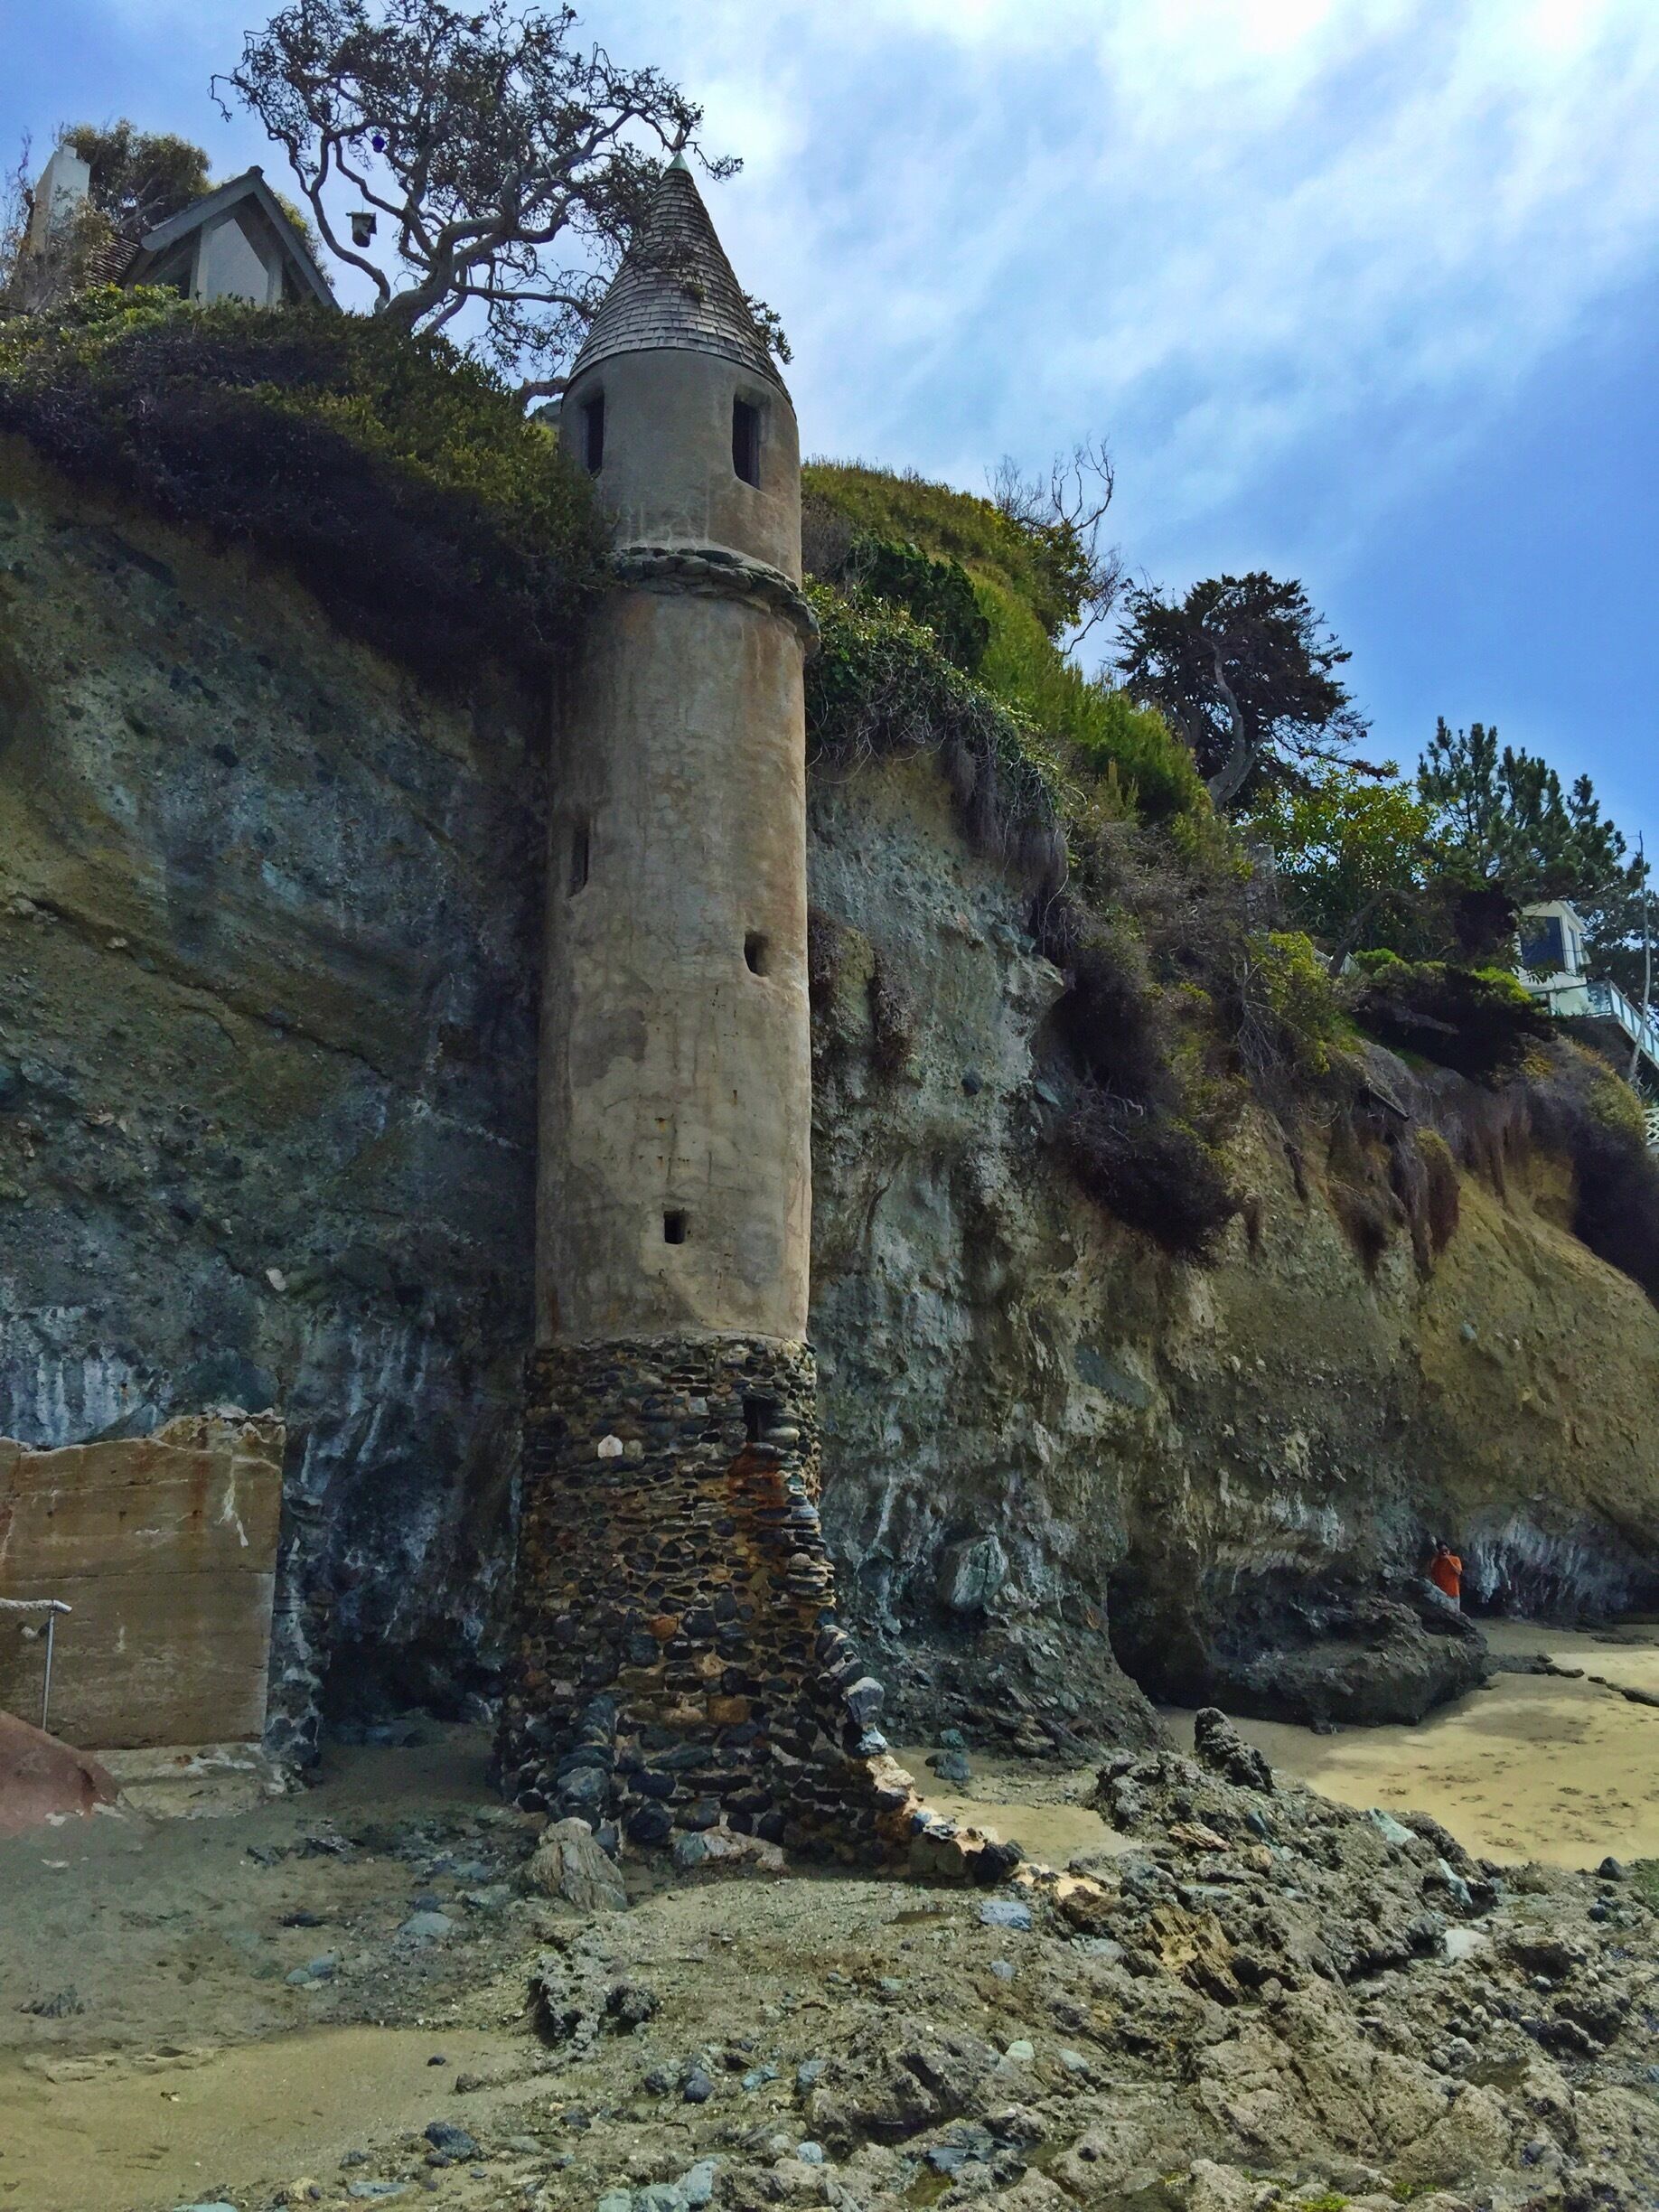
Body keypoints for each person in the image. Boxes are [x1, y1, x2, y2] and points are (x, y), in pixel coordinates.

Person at [1428, 1541, 1463, 1607]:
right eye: (1442, 1551)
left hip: (1453, 1594)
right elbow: (1430, 1572)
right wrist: (1435, 1559)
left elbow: (1458, 1572)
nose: (1444, 1553)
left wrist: (1449, 1560)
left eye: (1446, 1550)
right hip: (1440, 1594)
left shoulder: (1455, 1559)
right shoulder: (1437, 1562)